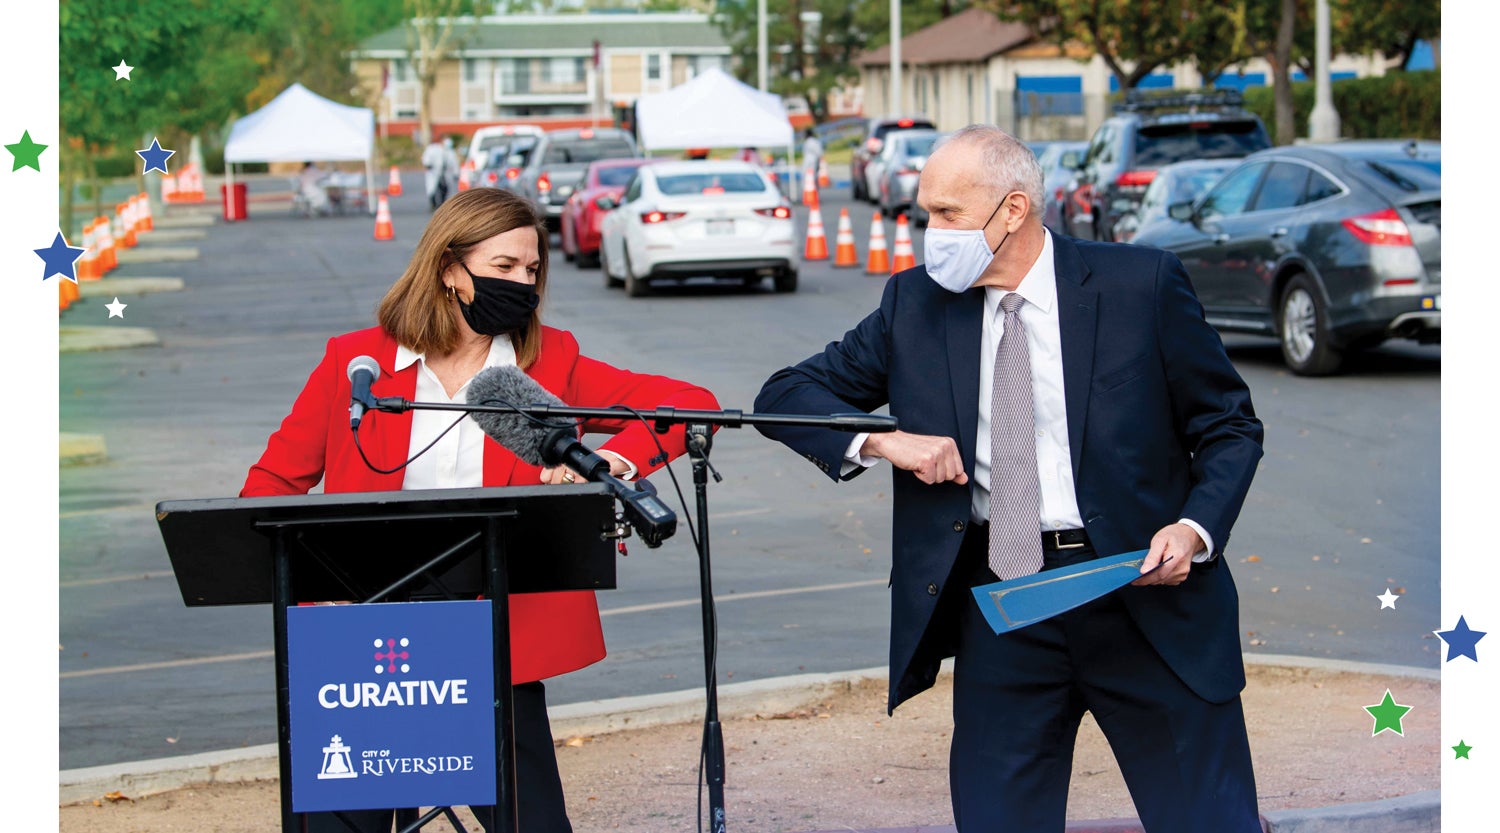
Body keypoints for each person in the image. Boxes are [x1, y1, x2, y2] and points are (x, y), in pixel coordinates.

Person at [752, 124, 1264, 833]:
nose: (929, 233)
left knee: (1205, 819)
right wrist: (885, 441)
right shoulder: (916, 306)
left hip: (1144, 596)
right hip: (1005, 608)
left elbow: (1230, 425)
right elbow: (783, 396)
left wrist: (1194, 528)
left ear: (1014, 210)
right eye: (924, 212)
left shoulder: (1139, 286)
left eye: (947, 214)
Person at [241, 187, 720, 832]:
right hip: (364, 646)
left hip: (495, 640)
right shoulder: (355, 365)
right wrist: (309, 587)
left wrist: (613, 463)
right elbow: (272, 484)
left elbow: (691, 405)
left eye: (531, 270)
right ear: (448, 269)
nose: (522, 284)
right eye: (504, 268)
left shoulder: (551, 363)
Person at [422, 136, 460, 209]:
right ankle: (433, 204)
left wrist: (456, 173)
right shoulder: (433, 149)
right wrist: (428, 164)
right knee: (432, 189)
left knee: (444, 189)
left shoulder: (450, 152)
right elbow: (426, 158)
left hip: (445, 174)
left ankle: (442, 205)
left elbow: (455, 163)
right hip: (434, 173)